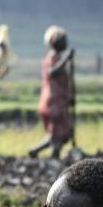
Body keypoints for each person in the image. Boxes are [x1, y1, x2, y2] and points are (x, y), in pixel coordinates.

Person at [28, 26, 74, 159]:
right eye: (64, 41)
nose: (66, 43)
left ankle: (40, 153)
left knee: (60, 135)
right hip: (53, 102)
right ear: (57, 43)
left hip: (58, 100)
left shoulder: (57, 58)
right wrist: (66, 59)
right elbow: (52, 72)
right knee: (58, 134)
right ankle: (51, 157)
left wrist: (68, 97)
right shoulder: (53, 57)